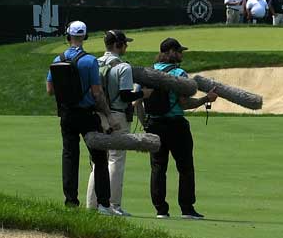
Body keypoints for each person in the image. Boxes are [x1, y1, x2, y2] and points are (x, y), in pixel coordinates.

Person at [47, 20, 118, 212]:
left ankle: (71, 202)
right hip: (87, 115)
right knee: (99, 158)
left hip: (67, 115)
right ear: (84, 37)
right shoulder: (90, 61)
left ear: (68, 36)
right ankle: (103, 204)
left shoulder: (57, 59)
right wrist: (109, 116)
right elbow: (97, 93)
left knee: (69, 157)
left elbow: (49, 90)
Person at [141, 36, 213, 219]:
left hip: (153, 124)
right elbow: (184, 103)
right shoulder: (179, 74)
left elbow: (138, 101)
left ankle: (161, 210)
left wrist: (144, 123)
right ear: (171, 52)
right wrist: (206, 99)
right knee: (185, 167)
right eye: (179, 51)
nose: (181, 54)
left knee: (158, 167)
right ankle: (187, 209)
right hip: (175, 126)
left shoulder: (148, 73)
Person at [87, 30, 141, 215]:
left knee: (98, 161)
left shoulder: (95, 62)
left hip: (97, 114)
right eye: (125, 43)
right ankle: (113, 205)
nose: (126, 46)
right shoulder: (124, 67)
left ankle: (92, 204)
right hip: (117, 115)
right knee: (116, 159)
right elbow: (126, 95)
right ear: (118, 45)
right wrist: (143, 94)